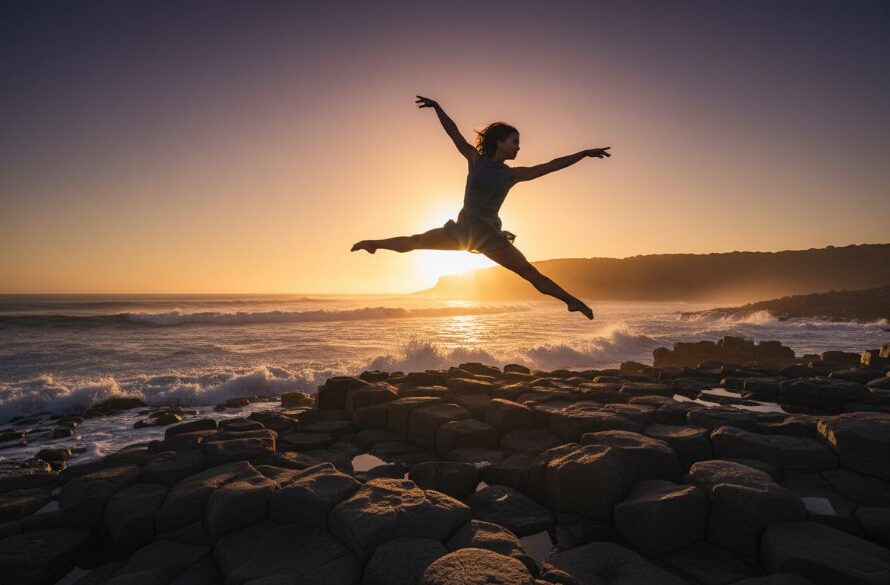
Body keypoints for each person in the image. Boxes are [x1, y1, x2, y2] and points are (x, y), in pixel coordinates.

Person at [351, 95, 611, 320]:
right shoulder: (475, 160)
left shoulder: (512, 174)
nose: (518, 147)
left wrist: (583, 154)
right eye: (514, 142)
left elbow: (552, 165)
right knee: (416, 240)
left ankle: (571, 301)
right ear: (500, 142)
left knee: (529, 272)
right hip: (462, 231)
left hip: (489, 236)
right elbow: (454, 134)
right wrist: (438, 107)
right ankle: (373, 243)